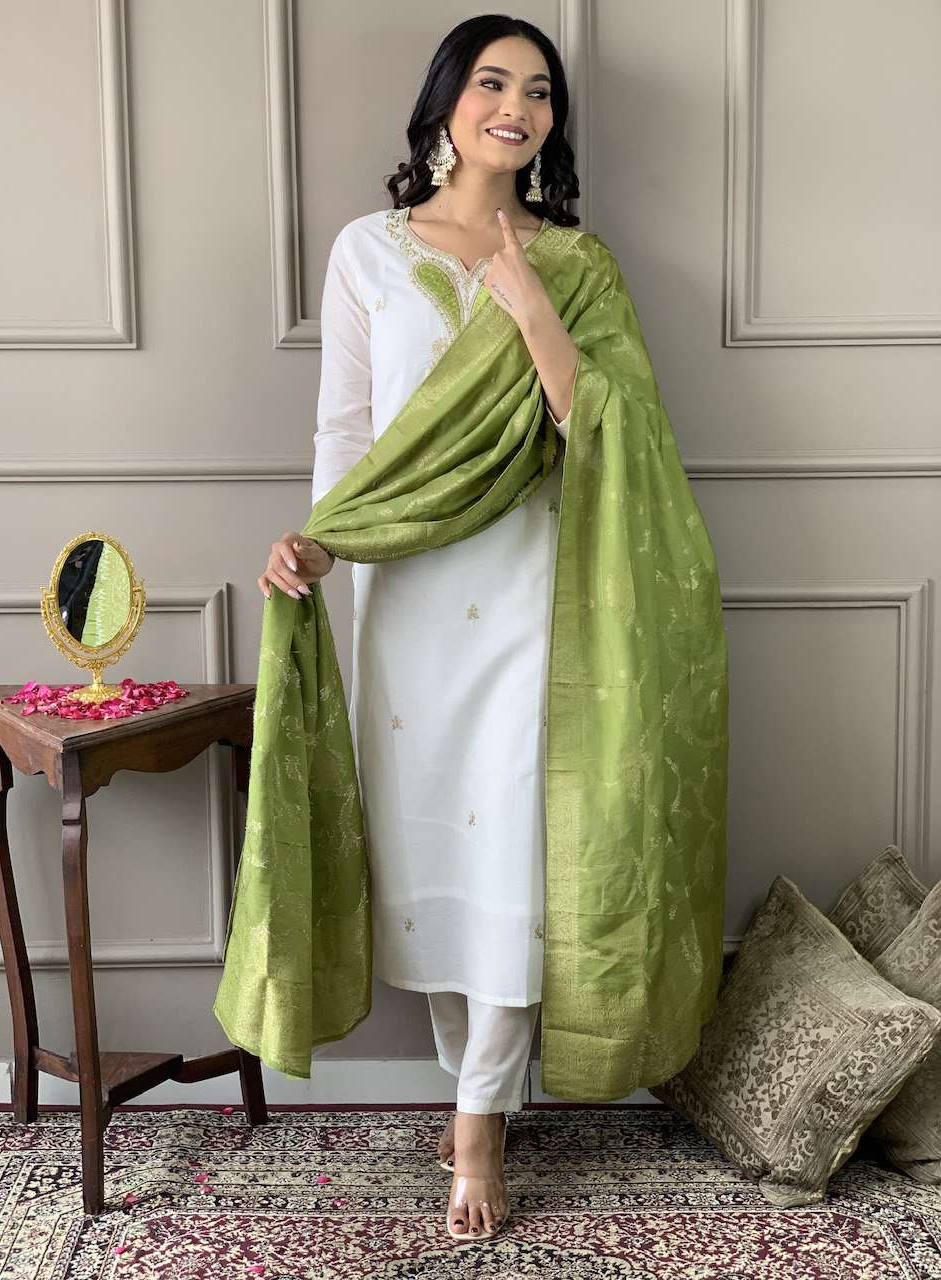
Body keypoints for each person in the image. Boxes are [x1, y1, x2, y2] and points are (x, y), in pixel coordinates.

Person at [219, 12, 729, 1248]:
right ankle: (473, 1083)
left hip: (534, 589)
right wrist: (322, 541)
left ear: (553, 122)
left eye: (540, 91)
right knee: (433, 850)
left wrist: (529, 303)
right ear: (445, 102)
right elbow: (349, 431)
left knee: (515, 854)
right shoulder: (368, 250)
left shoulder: (579, 264)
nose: (518, 106)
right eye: (494, 82)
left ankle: (482, 1118)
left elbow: (611, 427)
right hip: (402, 594)